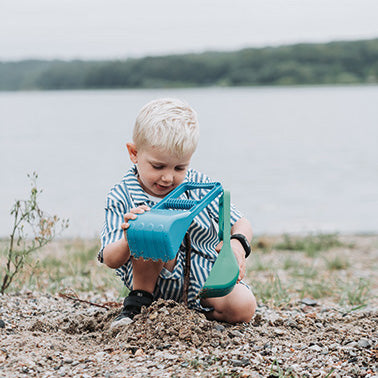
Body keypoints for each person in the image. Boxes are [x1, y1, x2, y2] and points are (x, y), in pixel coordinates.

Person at [98, 98, 256, 327]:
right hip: (151, 287)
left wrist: (237, 245)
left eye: (179, 167)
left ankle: (195, 316)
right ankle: (137, 307)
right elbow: (111, 259)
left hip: (202, 278)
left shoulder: (199, 186)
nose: (168, 177)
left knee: (244, 307)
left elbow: (240, 222)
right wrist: (129, 237)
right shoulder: (122, 194)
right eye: (158, 166)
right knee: (149, 226)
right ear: (134, 153)